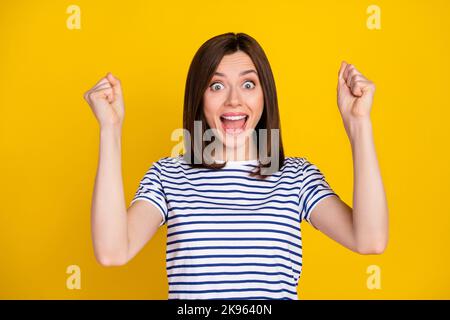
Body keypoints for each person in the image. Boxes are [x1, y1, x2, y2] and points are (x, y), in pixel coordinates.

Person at [83, 32, 389, 300]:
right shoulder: (168, 175)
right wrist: (110, 128)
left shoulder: (296, 176)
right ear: (199, 97)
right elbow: (112, 252)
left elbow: (369, 240)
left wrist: (358, 123)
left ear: (264, 95)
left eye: (247, 84)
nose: (233, 101)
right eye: (216, 86)